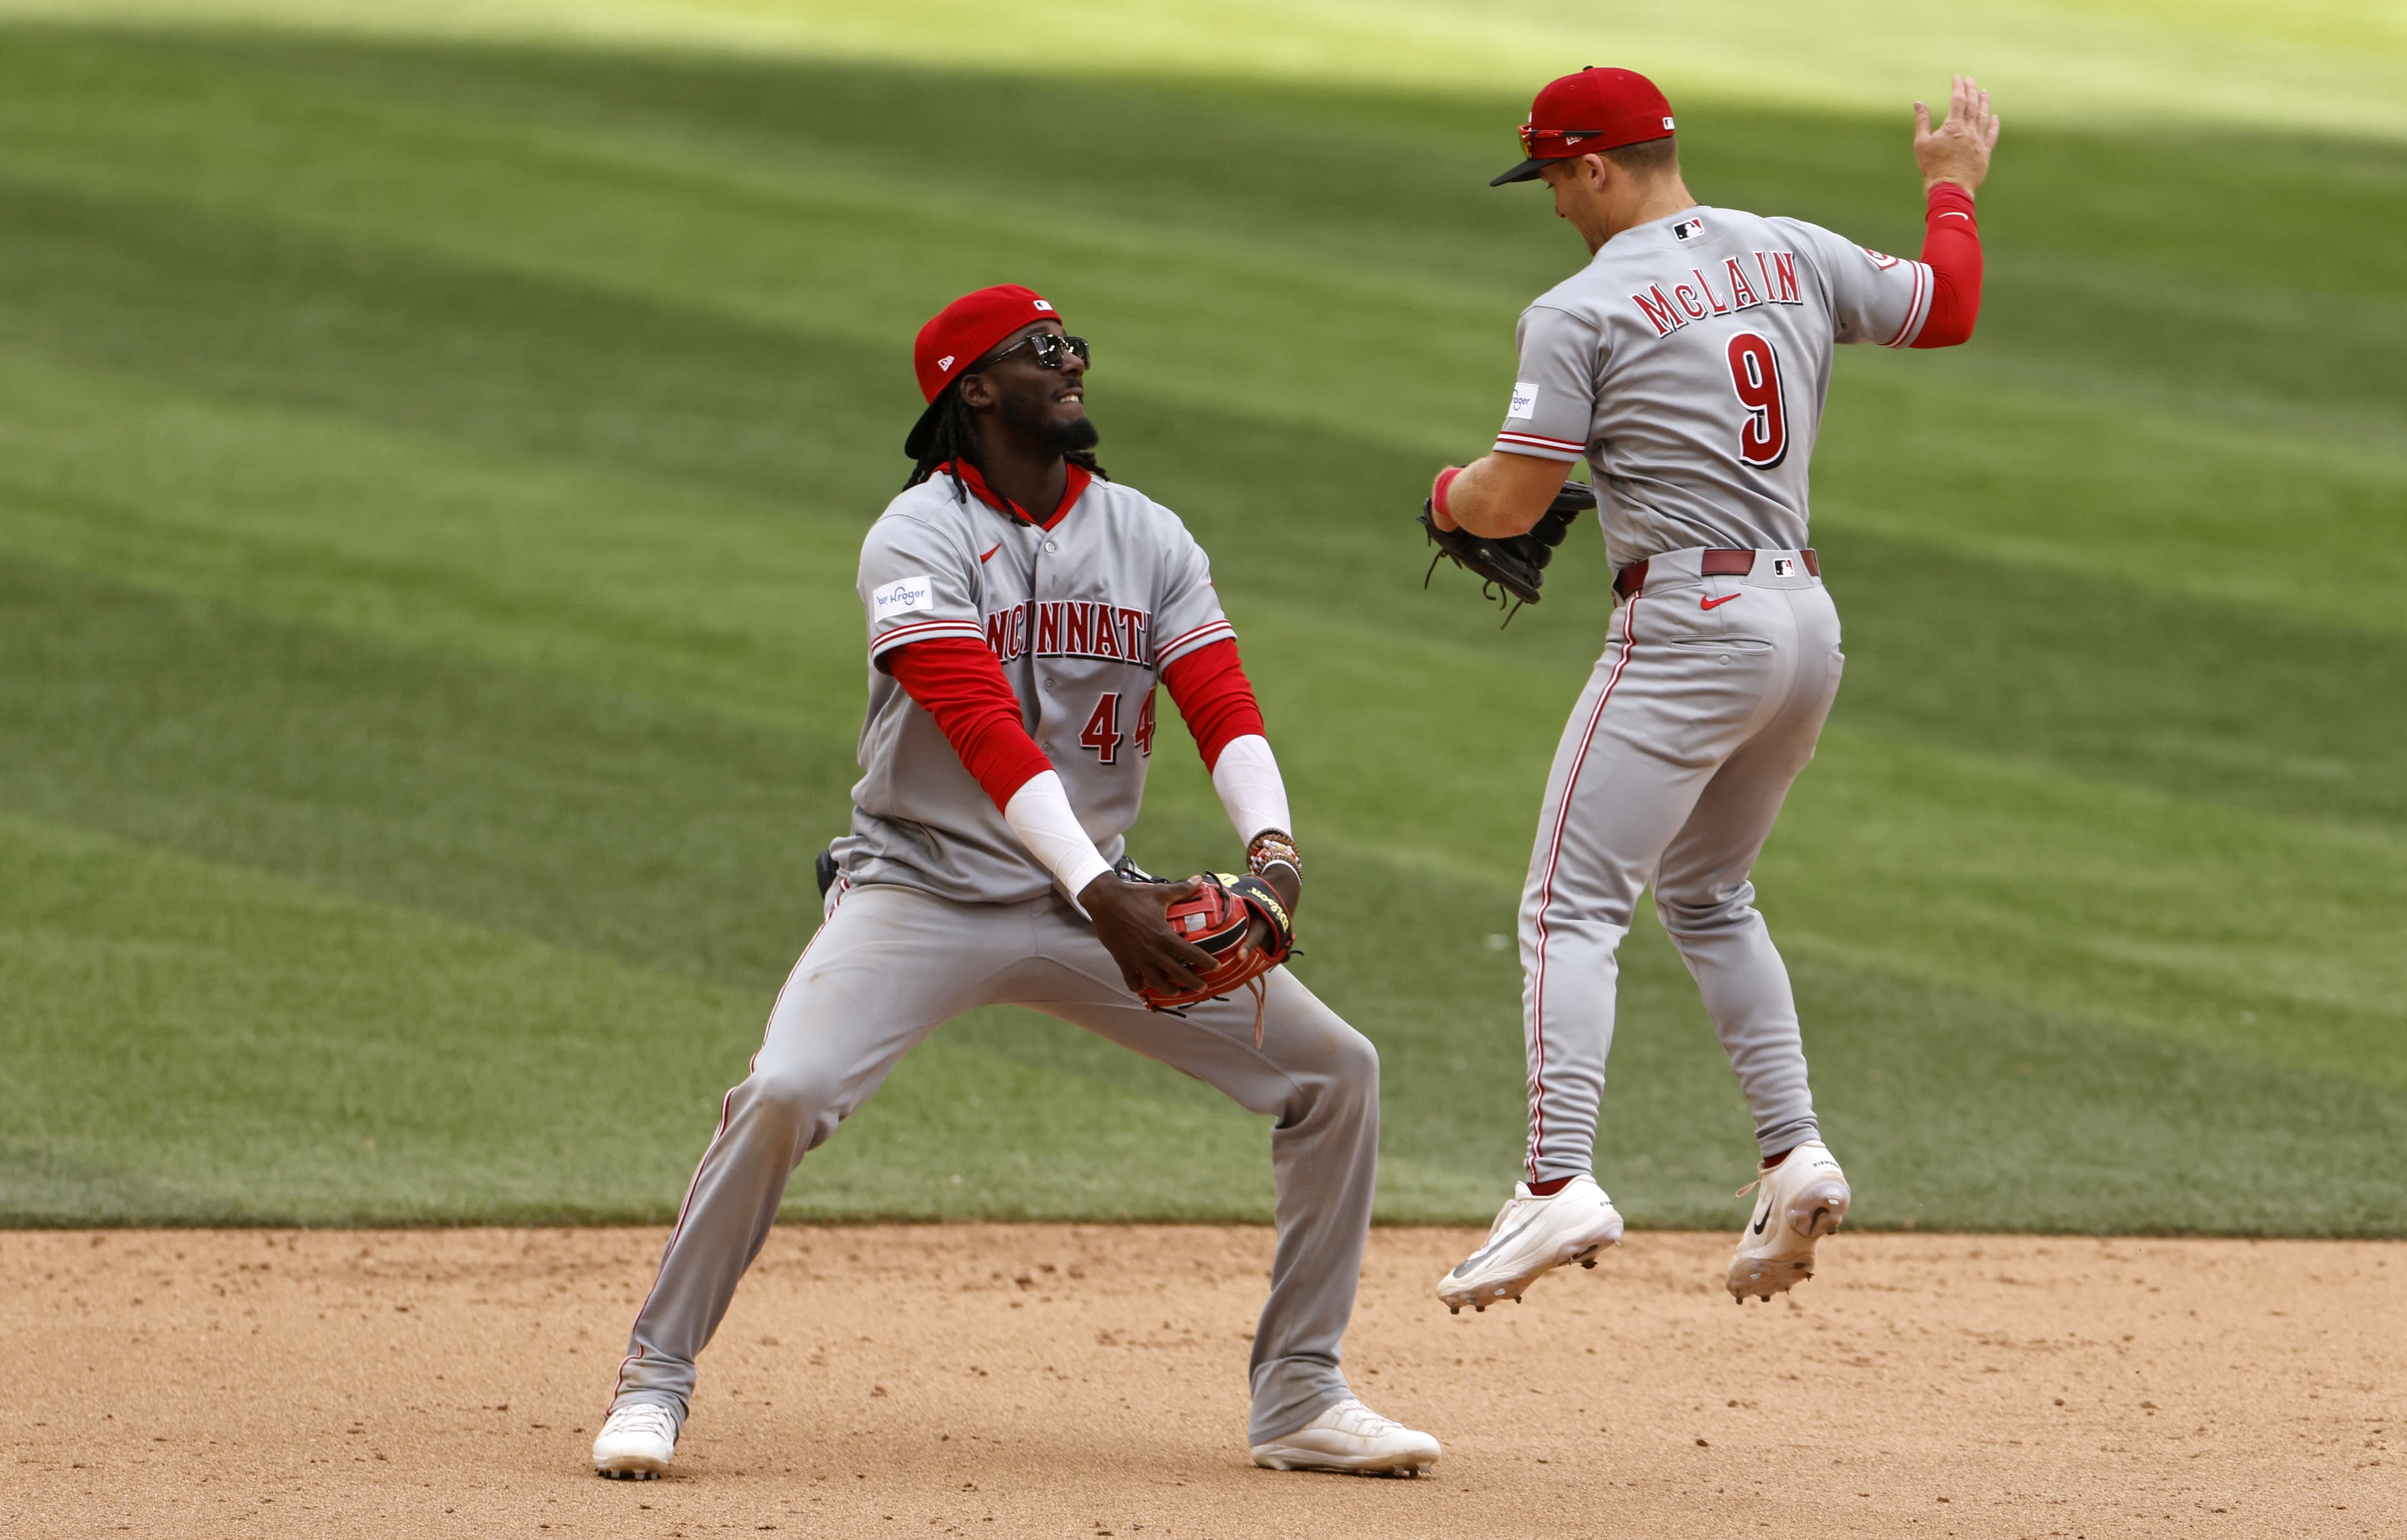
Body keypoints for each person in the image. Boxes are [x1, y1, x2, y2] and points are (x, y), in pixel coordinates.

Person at [591, 285, 1440, 1479]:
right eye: (1040, 349)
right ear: (972, 389)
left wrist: (1276, 862)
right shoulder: (916, 537)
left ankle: (1300, 1392)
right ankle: (655, 1381)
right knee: (786, 1089)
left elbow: (1222, 707)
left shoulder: (1151, 536)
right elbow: (985, 731)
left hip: (1097, 906)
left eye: (1073, 342)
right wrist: (1107, 896)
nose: (1072, 358)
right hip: (922, 893)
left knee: (1335, 1072)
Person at [1431, 69, 1998, 1312]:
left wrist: (1446, 497)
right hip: (1804, 625)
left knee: (1568, 908)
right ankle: (1795, 1155)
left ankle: (1554, 1180)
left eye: (1553, 183)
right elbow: (1945, 307)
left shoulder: (1577, 310)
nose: (1554, 209)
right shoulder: (1787, 249)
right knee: (1707, 889)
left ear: (1591, 169)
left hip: (1689, 626)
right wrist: (1950, 186)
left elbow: (1511, 502)